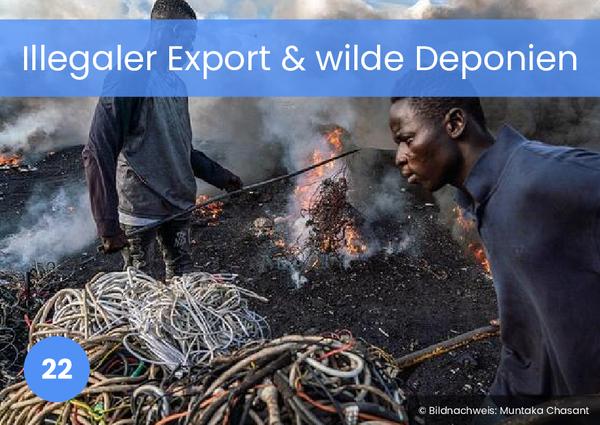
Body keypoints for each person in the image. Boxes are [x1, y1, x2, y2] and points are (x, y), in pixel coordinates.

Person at [389, 96, 600, 422]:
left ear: (455, 124)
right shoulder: (482, 201)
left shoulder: (546, 177)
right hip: (530, 387)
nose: (399, 157)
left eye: (407, 139)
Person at [83, 0, 242, 279]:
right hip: (141, 207)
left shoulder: (176, 84)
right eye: (188, 39)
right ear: (169, 33)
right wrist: (107, 224)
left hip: (178, 203)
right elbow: (98, 150)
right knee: (140, 287)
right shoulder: (128, 77)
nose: (191, 48)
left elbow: (180, 147)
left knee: (183, 282)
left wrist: (221, 177)